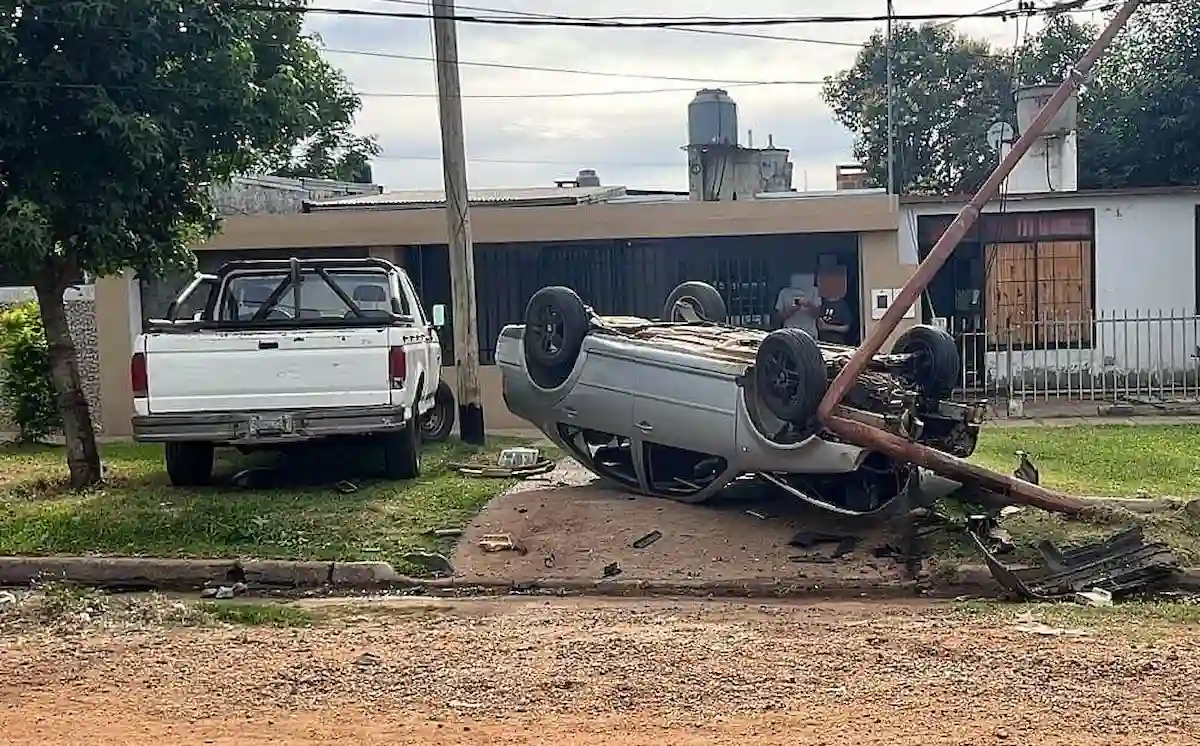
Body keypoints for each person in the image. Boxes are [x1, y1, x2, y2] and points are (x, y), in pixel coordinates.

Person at [774, 273, 819, 338]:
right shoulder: (783, 292)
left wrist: (808, 305)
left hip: (809, 334)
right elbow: (779, 317)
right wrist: (791, 310)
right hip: (789, 334)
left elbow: (818, 314)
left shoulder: (815, 291)